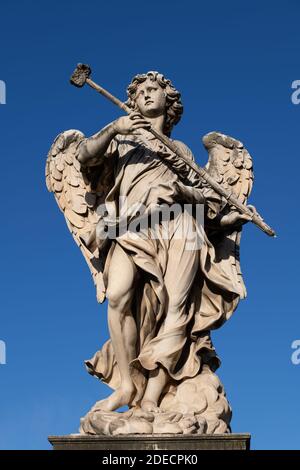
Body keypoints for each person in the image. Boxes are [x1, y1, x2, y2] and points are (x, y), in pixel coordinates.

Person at [77, 71, 250, 412]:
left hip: (179, 228)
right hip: (129, 226)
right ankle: (127, 386)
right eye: (140, 91)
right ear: (132, 101)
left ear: (168, 101)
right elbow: (84, 155)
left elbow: (205, 204)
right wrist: (114, 128)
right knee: (118, 296)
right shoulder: (123, 140)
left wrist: (223, 216)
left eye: (153, 89)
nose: (146, 95)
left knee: (176, 309)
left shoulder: (181, 150)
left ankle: (153, 396)